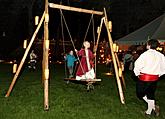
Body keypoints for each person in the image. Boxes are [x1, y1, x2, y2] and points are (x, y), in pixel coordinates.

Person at [133, 39, 165, 116]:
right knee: (150, 94)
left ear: (149, 45)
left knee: (140, 93)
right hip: (154, 78)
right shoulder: (161, 55)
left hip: (144, 78)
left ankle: (151, 108)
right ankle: (150, 111)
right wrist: (158, 74)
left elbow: (138, 65)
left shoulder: (145, 55)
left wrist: (137, 73)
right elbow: (163, 68)